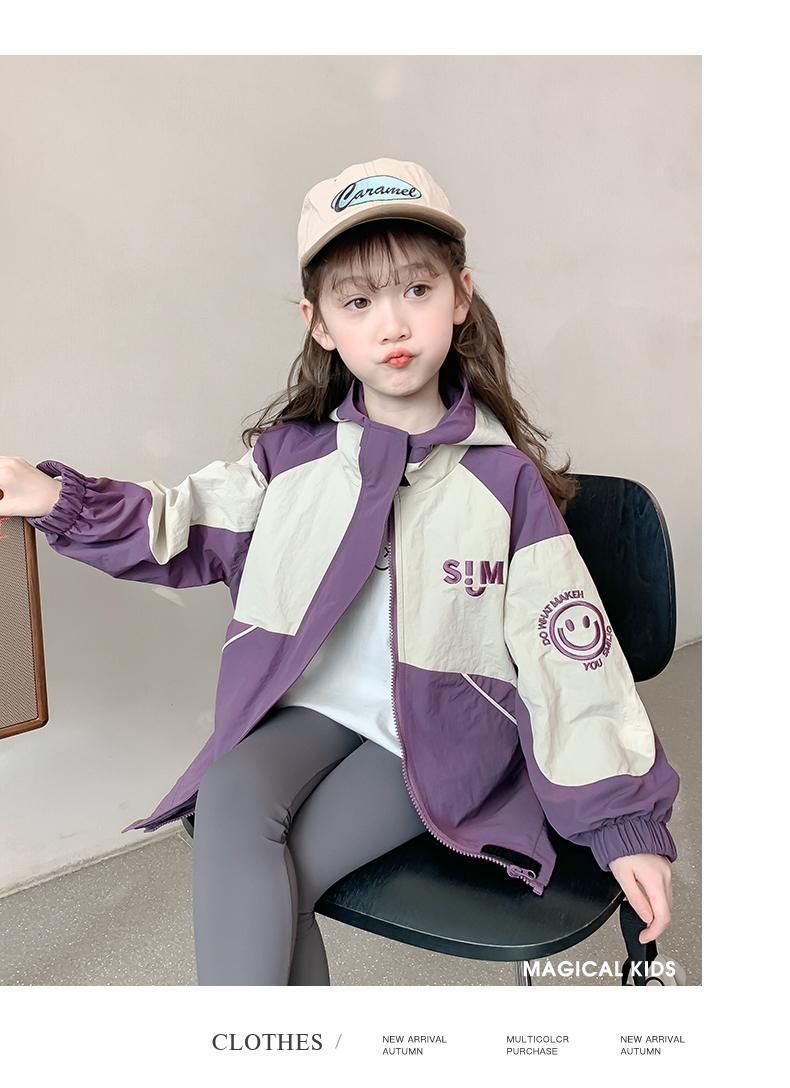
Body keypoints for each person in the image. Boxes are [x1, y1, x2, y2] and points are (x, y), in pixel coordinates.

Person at [0, 156, 679, 986]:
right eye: (358, 302)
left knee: (276, 878)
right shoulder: (292, 460)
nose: (392, 325)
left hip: (431, 736)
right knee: (229, 795)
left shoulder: (502, 482)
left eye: (416, 291)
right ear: (318, 323)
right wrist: (54, 498)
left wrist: (624, 824)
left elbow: (569, 654)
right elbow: (179, 523)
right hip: (312, 711)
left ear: (460, 297)